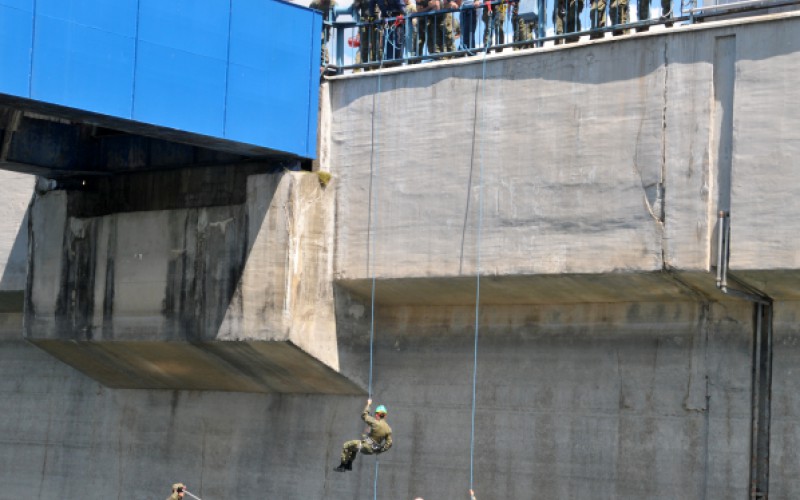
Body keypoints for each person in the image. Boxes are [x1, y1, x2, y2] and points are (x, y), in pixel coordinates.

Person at [334, 399, 393, 472]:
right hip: (372, 450)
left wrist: (368, 404)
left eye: (375, 414)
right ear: (385, 415)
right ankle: (349, 465)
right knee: (353, 447)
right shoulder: (388, 429)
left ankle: (342, 465)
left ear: (377, 414)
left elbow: (364, 415)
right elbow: (389, 444)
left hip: (365, 447)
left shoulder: (374, 422)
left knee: (346, 445)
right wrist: (380, 450)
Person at [309, 0, 337, 68]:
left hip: (325, 28)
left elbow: (334, 17)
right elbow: (309, 14)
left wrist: (329, 24)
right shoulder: (315, 3)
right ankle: (318, 62)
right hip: (316, 27)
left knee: (322, 44)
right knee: (315, 45)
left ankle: (324, 63)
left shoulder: (333, 4)